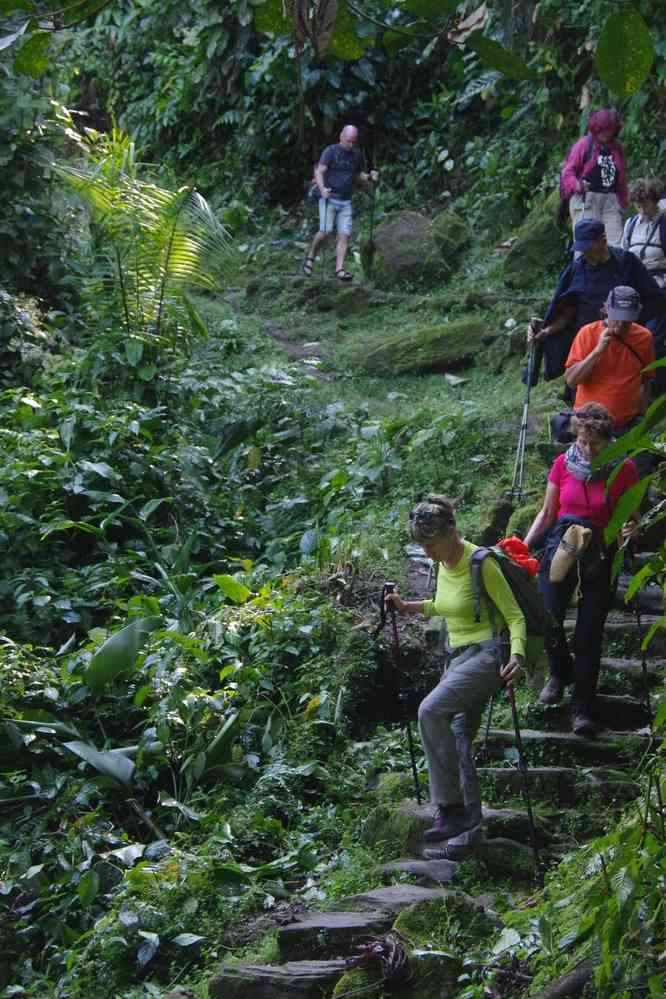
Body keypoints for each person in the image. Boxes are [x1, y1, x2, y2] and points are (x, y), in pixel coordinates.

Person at [386, 496, 525, 843]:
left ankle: (449, 808)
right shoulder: (443, 565)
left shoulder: (481, 562)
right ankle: (469, 826)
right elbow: (445, 606)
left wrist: (518, 656)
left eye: (431, 544)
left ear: (451, 532)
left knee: (431, 711)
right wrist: (408, 606)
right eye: (423, 545)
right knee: (459, 734)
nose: (428, 552)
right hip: (460, 657)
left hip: (491, 654)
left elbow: (514, 615)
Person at [524, 403, 639, 736]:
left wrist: (631, 532)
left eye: (596, 444)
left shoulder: (625, 469)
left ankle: (582, 708)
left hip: (600, 552)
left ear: (608, 440)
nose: (588, 450)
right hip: (561, 546)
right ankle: (560, 671)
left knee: (589, 632)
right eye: (583, 442)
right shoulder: (562, 463)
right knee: (548, 616)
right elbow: (547, 514)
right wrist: (521, 546)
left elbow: (629, 519)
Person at [528, 219, 666, 385]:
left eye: (588, 247)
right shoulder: (576, 269)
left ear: (603, 240)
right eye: (581, 248)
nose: (584, 253)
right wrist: (546, 331)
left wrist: (630, 321)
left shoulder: (626, 263)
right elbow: (567, 313)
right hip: (587, 345)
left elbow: (655, 299)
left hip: (624, 343)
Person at [565, 285, 655, 435]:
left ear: (637, 314)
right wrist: (597, 351)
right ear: (606, 309)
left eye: (626, 321)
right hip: (589, 423)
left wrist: (643, 417)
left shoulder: (644, 337)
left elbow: (646, 381)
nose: (620, 326)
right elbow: (572, 381)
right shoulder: (587, 333)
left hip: (627, 424)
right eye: (617, 319)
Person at [302, 125, 378, 283]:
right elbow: (320, 171)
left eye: (353, 142)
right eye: (348, 141)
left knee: (344, 235)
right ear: (341, 137)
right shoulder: (331, 151)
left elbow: (358, 175)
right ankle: (311, 256)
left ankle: (339, 269)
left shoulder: (356, 155)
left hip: (345, 200)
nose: (351, 144)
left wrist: (370, 177)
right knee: (325, 232)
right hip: (329, 198)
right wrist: (322, 189)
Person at [560, 108, 628, 248]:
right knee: (587, 246)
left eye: (609, 129)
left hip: (610, 199)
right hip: (586, 199)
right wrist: (578, 185)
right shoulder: (584, 145)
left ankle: (615, 270)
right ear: (596, 128)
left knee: (616, 247)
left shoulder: (617, 148)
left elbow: (621, 179)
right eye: (603, 129)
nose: (606, 133)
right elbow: (567, 173)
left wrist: (623, 202)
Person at [622, 178, 666, 285]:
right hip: (633, 281)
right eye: (638, 206)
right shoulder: (630, 224)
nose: (642, 211)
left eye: (646, 205)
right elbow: (624, 254)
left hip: (659, 282)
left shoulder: (664, 223)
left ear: (655, 201)